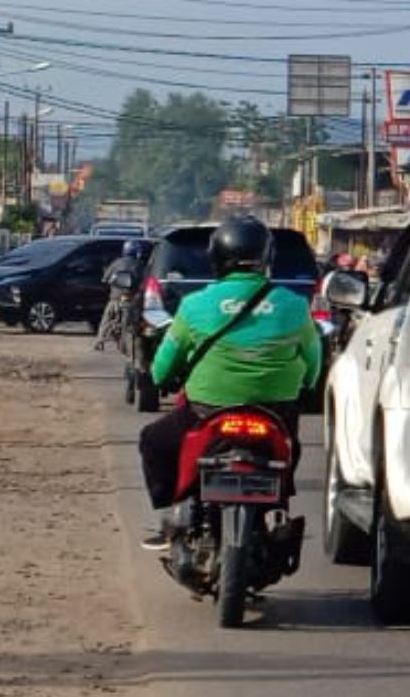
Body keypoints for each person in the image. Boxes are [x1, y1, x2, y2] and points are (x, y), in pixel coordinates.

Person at [135, 218, 321, 546]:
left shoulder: (194, 305)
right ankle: (278, 504)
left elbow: (163, 367)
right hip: (275, 411)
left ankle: (170, 518)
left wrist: (161, 378)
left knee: (154, 440)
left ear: (216, 257)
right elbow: (313, 361)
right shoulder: (294, 305)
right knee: (290, 451)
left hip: (207, 410)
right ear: (267, 258)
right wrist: (306, 385)